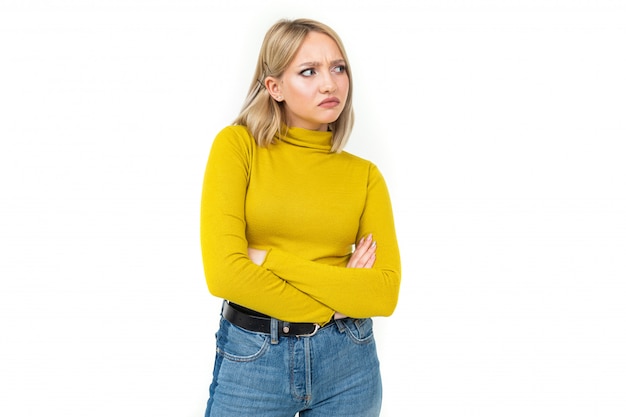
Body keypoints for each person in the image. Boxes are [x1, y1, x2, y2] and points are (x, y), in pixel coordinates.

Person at [200, 18, 401, 417]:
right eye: (308, 71)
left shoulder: (364, 176)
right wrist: (339, 297)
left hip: (349, 361)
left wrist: (270, 261)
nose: (330, 84)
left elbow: (383, 293)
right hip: (255, 359)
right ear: (274, 87)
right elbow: (224, 274)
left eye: (338, 67)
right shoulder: (238, 147)